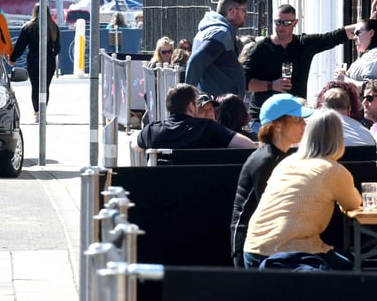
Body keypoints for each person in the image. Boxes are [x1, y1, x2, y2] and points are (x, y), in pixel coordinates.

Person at [243, 109, 361, 269]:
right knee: (348, 270)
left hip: (252, 253)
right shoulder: (334, 170)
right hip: (291, 253)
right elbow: (354, 204)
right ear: (339, 138)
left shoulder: (286, 162)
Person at [243, 4, 356, 134]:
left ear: (295, 23)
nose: (281, 26)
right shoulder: (260, 48)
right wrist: (271, 85)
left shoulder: (303, 44)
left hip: (294, 117)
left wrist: (365, 27)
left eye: (286, 23)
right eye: (278, 22)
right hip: (264, 119)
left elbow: (332, 37)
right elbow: (245, 82)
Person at [230, 94, 314, 267]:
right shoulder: (266, 160)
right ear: (277, 125)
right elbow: (273, 212)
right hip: (252, 250)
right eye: (298, 120)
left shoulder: (280, 157)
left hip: (269, 245)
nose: (304, 125)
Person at [131, 83, 256, 151]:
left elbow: (134, 146)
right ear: (191, 107)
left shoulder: (151, 131)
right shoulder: (208, 128)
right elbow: (248, 145)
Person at [185, 0, 249, 98]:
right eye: (244, 10)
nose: (246, 15)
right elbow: (195, 62)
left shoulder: (212, 29)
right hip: (218, 107)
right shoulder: (221, 33)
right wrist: (187, 99)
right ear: (232, 11)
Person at [8, 4, 61, 123]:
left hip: (33, 59)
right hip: (49, 60)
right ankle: (43, 112)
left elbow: (20, 45)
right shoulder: (54, 27)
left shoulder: (28, 27)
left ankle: (37, 112)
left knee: (35, 86)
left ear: (34, 12)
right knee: (45, 87)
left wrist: (13, 58)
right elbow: (58, 48)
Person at [341, 18, 377, 90]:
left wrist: (345, 80)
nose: (354, 37)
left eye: (358, 33)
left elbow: (369, 87)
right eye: (353, 34)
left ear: (371, 33)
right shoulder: (367, 56)